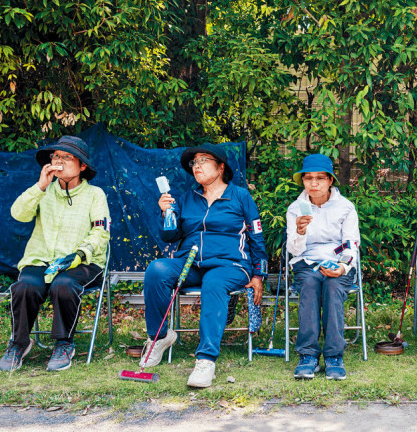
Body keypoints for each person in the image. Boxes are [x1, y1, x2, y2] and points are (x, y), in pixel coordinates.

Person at [141, 143, 268, 388]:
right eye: (194, 162)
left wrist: (259, 274)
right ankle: (160, 337)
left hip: (229, 265)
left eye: (203, 161)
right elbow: (170, 236)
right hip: (190, 263)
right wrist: (166, 213)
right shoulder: (188, 198)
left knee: (214, 282)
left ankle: (206, 359)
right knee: (156, 270)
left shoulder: (240, 196)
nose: (196, 166)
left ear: (221, 167)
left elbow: (256, 236)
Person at [0, 136, 110, 372]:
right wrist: (40, 186)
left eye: (65, 157)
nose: (58, 161)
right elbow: (18, 214)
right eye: (55, 156)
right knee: (25, 286)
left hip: (82, 262)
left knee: (63, 284)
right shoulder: (43, 191)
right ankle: (19, 343)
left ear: (82, 165)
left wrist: (80, 253)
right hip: (41, 260)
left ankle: (64, 344)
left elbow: (101, 233)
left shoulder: (95, 194)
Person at [286, 154, 360, 380]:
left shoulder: (345, 207)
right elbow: (294, 251)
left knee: (333, 286)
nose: (314, 183)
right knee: (308, 285)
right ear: (303, 181)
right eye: (308, 178)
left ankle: (333, 356)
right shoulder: (295, 209)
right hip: (306, 262)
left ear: (330, 181)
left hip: (338, 263)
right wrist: (299, 232)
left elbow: (351, 244)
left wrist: (342, 267)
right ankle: (308, 355)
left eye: (320, 178)